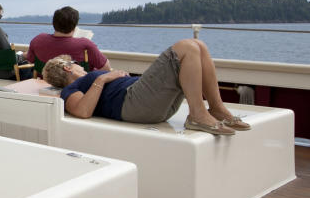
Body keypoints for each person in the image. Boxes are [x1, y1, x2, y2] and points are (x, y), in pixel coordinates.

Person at [42, 38, 250, 135]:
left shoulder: (85, 81)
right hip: (133, 103)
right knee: (186, 47)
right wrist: (104, 78)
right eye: (75, 63)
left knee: (199, 46)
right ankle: (198, 113)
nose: (79, 66)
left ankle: (216, 108)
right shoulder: (71, 89)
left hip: (145, 101)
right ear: (68, 68)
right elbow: (83, 111)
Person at [25, 6, 110, 73]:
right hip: (76, 85)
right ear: (74, 25)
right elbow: (106, 68)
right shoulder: (85, 44)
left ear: (53, 23)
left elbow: (30, 60)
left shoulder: (38, 40)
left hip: (44, 82)